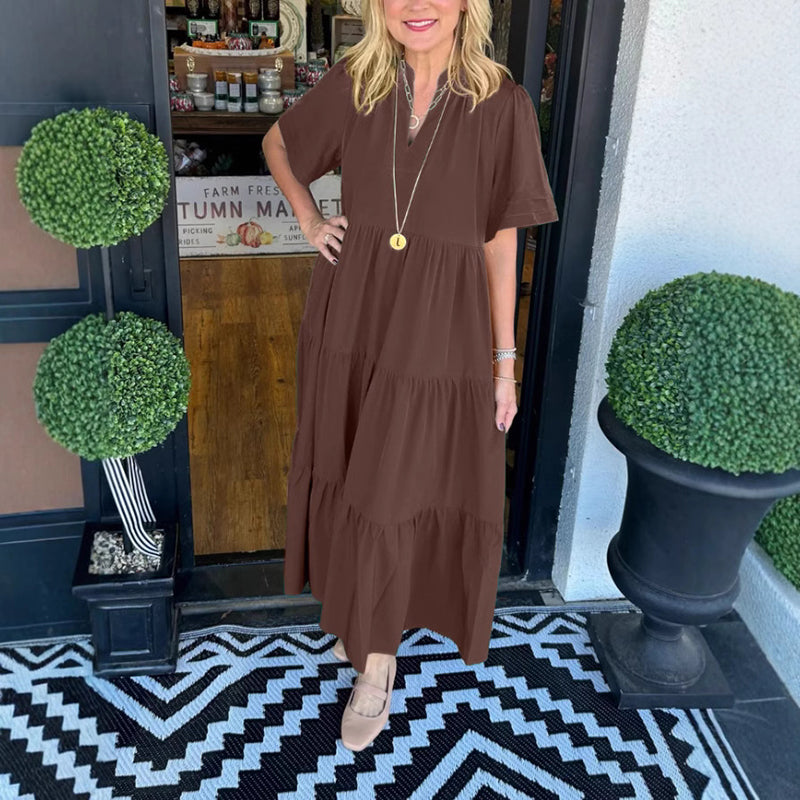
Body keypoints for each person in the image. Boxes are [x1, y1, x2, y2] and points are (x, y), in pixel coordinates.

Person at [262, 0, 558, 752]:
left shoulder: (502, 103)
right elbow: (279, 143)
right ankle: (357, 617)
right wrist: (309, 220)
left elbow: (501, 244)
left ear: (465, 4)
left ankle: (378, 661)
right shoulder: (358, 83)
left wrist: (504, 362)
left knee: (396, 487)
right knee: (349, 470)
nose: (416, 5)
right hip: (352, 312)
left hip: (439, 328)